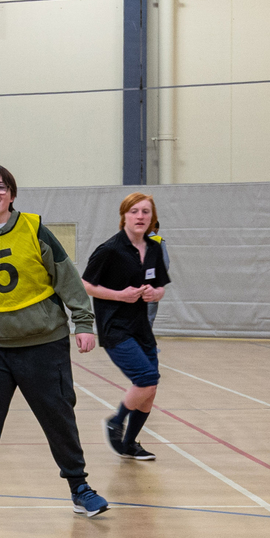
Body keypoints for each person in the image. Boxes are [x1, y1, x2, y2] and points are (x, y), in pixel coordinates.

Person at [0, 164, 109, 524]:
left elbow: (67, 277)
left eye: (0, 186)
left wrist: (83, 321)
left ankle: (80, 488)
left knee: (59, 419)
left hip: (44, 345)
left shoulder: (33, 228)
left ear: (12, 195)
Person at [82, 192, 171, 462]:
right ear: (124, 216)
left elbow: (160, 287)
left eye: (146, 211)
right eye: (134, 211)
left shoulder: (154, 248)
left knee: (150, 390)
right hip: (115, 327)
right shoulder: (110, 249)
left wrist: (155, 294)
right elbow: (85, 285)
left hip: (142, 327)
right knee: (146, 379)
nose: (140, 216)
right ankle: (115, 421)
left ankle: (130, 444)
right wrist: (120, 295)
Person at [145, 219, 170, 326]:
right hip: (151, 284)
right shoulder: (159, 240)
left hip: (134, 284)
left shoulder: (134, 239)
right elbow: (165, 262)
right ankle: (145, 341)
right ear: (156, 229)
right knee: (149, 317)